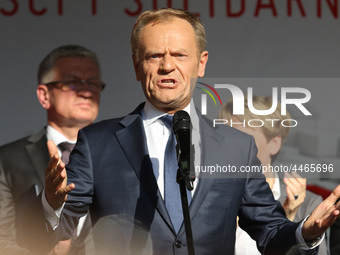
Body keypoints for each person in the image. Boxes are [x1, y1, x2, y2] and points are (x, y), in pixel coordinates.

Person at [21, 8, 340, 255]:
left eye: (179, 55)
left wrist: (305, 233)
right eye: (154, 55)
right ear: (136, 66)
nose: (166, 66)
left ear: (201, 64)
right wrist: (50, 202)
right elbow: (45, 234)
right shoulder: (98, 142)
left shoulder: (236, 146)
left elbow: (270, 233)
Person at [0, 44, 105, 254]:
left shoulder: (119, 154)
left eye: (93, 83)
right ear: (44, 96)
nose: (86, 91)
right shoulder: (6, 160)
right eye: (73, 82)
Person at [219, 95, 328, 254]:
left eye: (241, 138)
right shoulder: (210, 196)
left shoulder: (309, 205)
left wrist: (288, 221)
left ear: (274, 144)